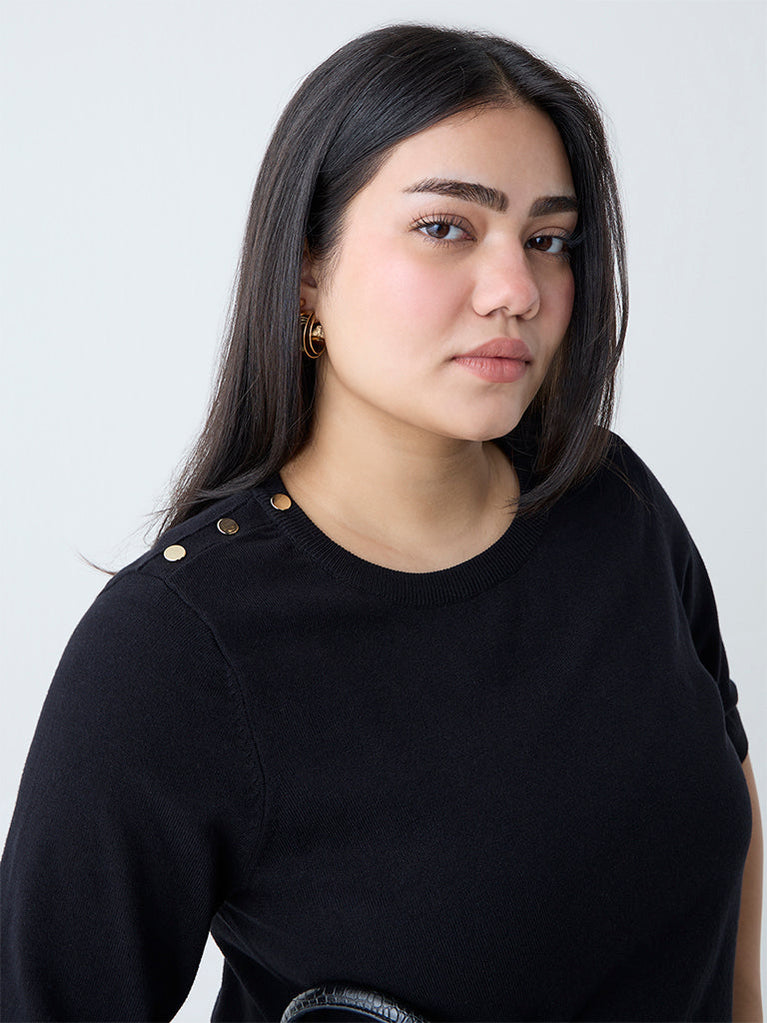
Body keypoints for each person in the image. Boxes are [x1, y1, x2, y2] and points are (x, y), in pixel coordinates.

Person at [1, 22, 762, 1023]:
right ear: (307, 271)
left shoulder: (610, 500)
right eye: (446, 227)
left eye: (547, 240)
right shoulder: (175, 647)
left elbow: (726, 795)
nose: (516, 290)